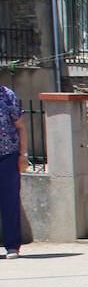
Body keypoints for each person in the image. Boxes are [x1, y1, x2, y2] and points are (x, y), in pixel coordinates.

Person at [0, 84, 26, 259]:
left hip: (7, 156)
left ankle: (12, 246)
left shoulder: (7, 95)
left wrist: (23, 155)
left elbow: (21, 127)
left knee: (10, 201)